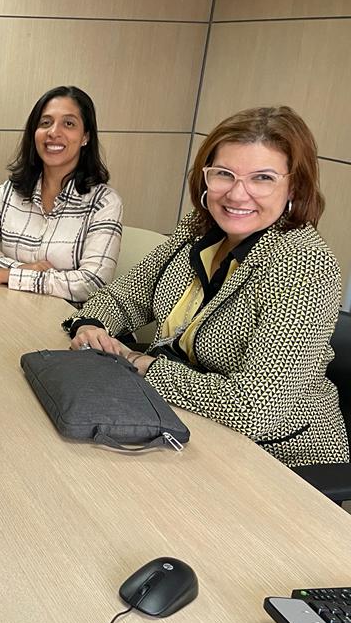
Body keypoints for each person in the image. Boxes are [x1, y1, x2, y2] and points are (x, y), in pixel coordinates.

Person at [65, 106, 346, 468]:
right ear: (205, 177)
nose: (237, 195)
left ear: (294, 185)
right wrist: (92, 326)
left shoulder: (305, 266)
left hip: (275, 462)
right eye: (224, 174)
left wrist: (139, 364)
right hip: (183, 423)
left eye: (263, 178)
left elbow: (254, 410)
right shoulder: (198, 229)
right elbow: (125, 297)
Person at [0, 85, 122, 303]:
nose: (53, 132)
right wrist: (18, 268)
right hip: (14, 312)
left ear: (85, 136)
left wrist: (9, 275)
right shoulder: (12, 191)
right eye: (45, 123)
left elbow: (92, 283)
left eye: (69, 124)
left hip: (68, 325)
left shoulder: (104, 202)